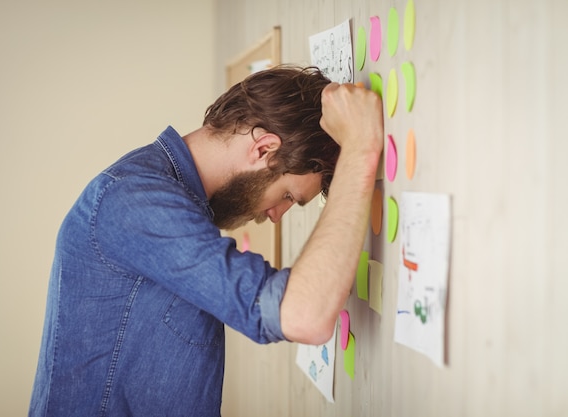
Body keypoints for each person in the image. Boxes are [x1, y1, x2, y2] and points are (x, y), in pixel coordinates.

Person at [29, 65, 383, 417]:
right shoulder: (134, 200)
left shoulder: (162, 198)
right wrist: (359, 149)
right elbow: (303, 316)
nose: (276, 215)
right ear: (263, 149)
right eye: (288, 196)